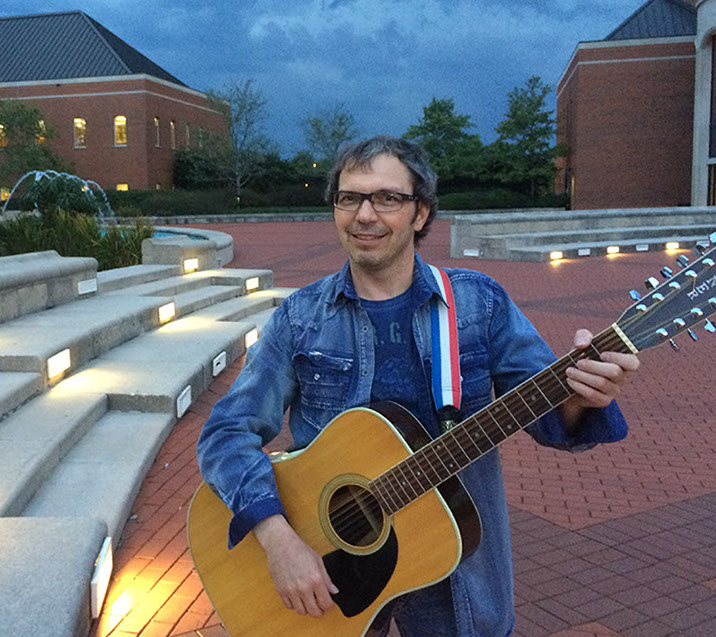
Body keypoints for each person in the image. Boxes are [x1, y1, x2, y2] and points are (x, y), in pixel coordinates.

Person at [195, 135, 640, 636]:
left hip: (457, 568)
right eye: (349, 198)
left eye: (387, 198)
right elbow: (225, 433)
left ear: (421, 213)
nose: (365, 215)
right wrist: (278, 539)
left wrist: (580, 397)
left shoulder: (479, 305)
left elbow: (552, 419)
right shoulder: (300, 319)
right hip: (325, 570)